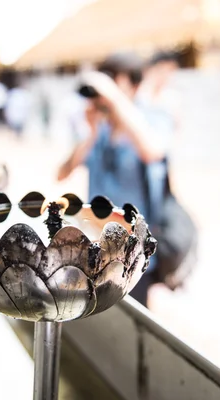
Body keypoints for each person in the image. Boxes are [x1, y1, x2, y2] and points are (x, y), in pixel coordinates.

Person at [57, 52, 172, 307]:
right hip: (96, 247)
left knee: (131, 316)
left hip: (134, 248)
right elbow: (62, 173)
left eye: (113, 82)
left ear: (133, 84)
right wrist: (90, 134)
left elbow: (153, 151)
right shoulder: (99, 127)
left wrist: (116, 100)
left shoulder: (151, 118)